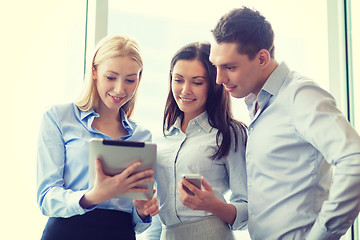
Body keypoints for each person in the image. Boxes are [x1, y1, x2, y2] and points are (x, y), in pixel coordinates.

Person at [209, 7, 360, 240]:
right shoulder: (259, 105)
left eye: (230, 67)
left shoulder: (300, 95)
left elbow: (354, 160)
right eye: (216, 66)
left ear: (261, 58)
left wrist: (321, 237)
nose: (219, 79)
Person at [37, 35, 159, 240]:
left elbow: (138, 225)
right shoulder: (58, 117)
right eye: (111, 77)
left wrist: (142, 210)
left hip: (119, 234)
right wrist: (93, 196)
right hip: (67, 232)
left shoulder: (142, 136)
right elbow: (46, 197)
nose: (120, 89)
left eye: (130, 80)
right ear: (94, 72)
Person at [144, 42, 248, 240]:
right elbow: (158, 212)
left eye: (197, 82)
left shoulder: (229, 133)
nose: (185, 90)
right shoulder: (160, 138)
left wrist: (213, 205)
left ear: (214, 85)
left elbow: (247, 208)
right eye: (178, 80)